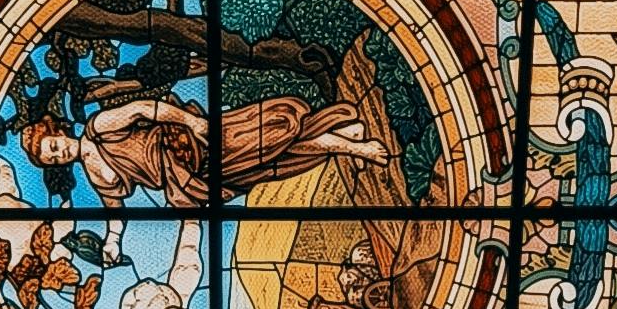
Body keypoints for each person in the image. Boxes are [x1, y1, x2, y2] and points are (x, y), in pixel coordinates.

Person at [23, 90, 387, 209]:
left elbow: (145, 109)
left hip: (190, 144)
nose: (58, 154)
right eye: (51, 158)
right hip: (192, 182)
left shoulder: (99, 126)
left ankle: (354, 146)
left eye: (53, 145)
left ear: (59, 131)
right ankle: (344, 139)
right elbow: (114, 209)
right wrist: (112, 243)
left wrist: (193, 122)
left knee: (268, 137)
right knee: (271, 164)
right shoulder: (94, 177)